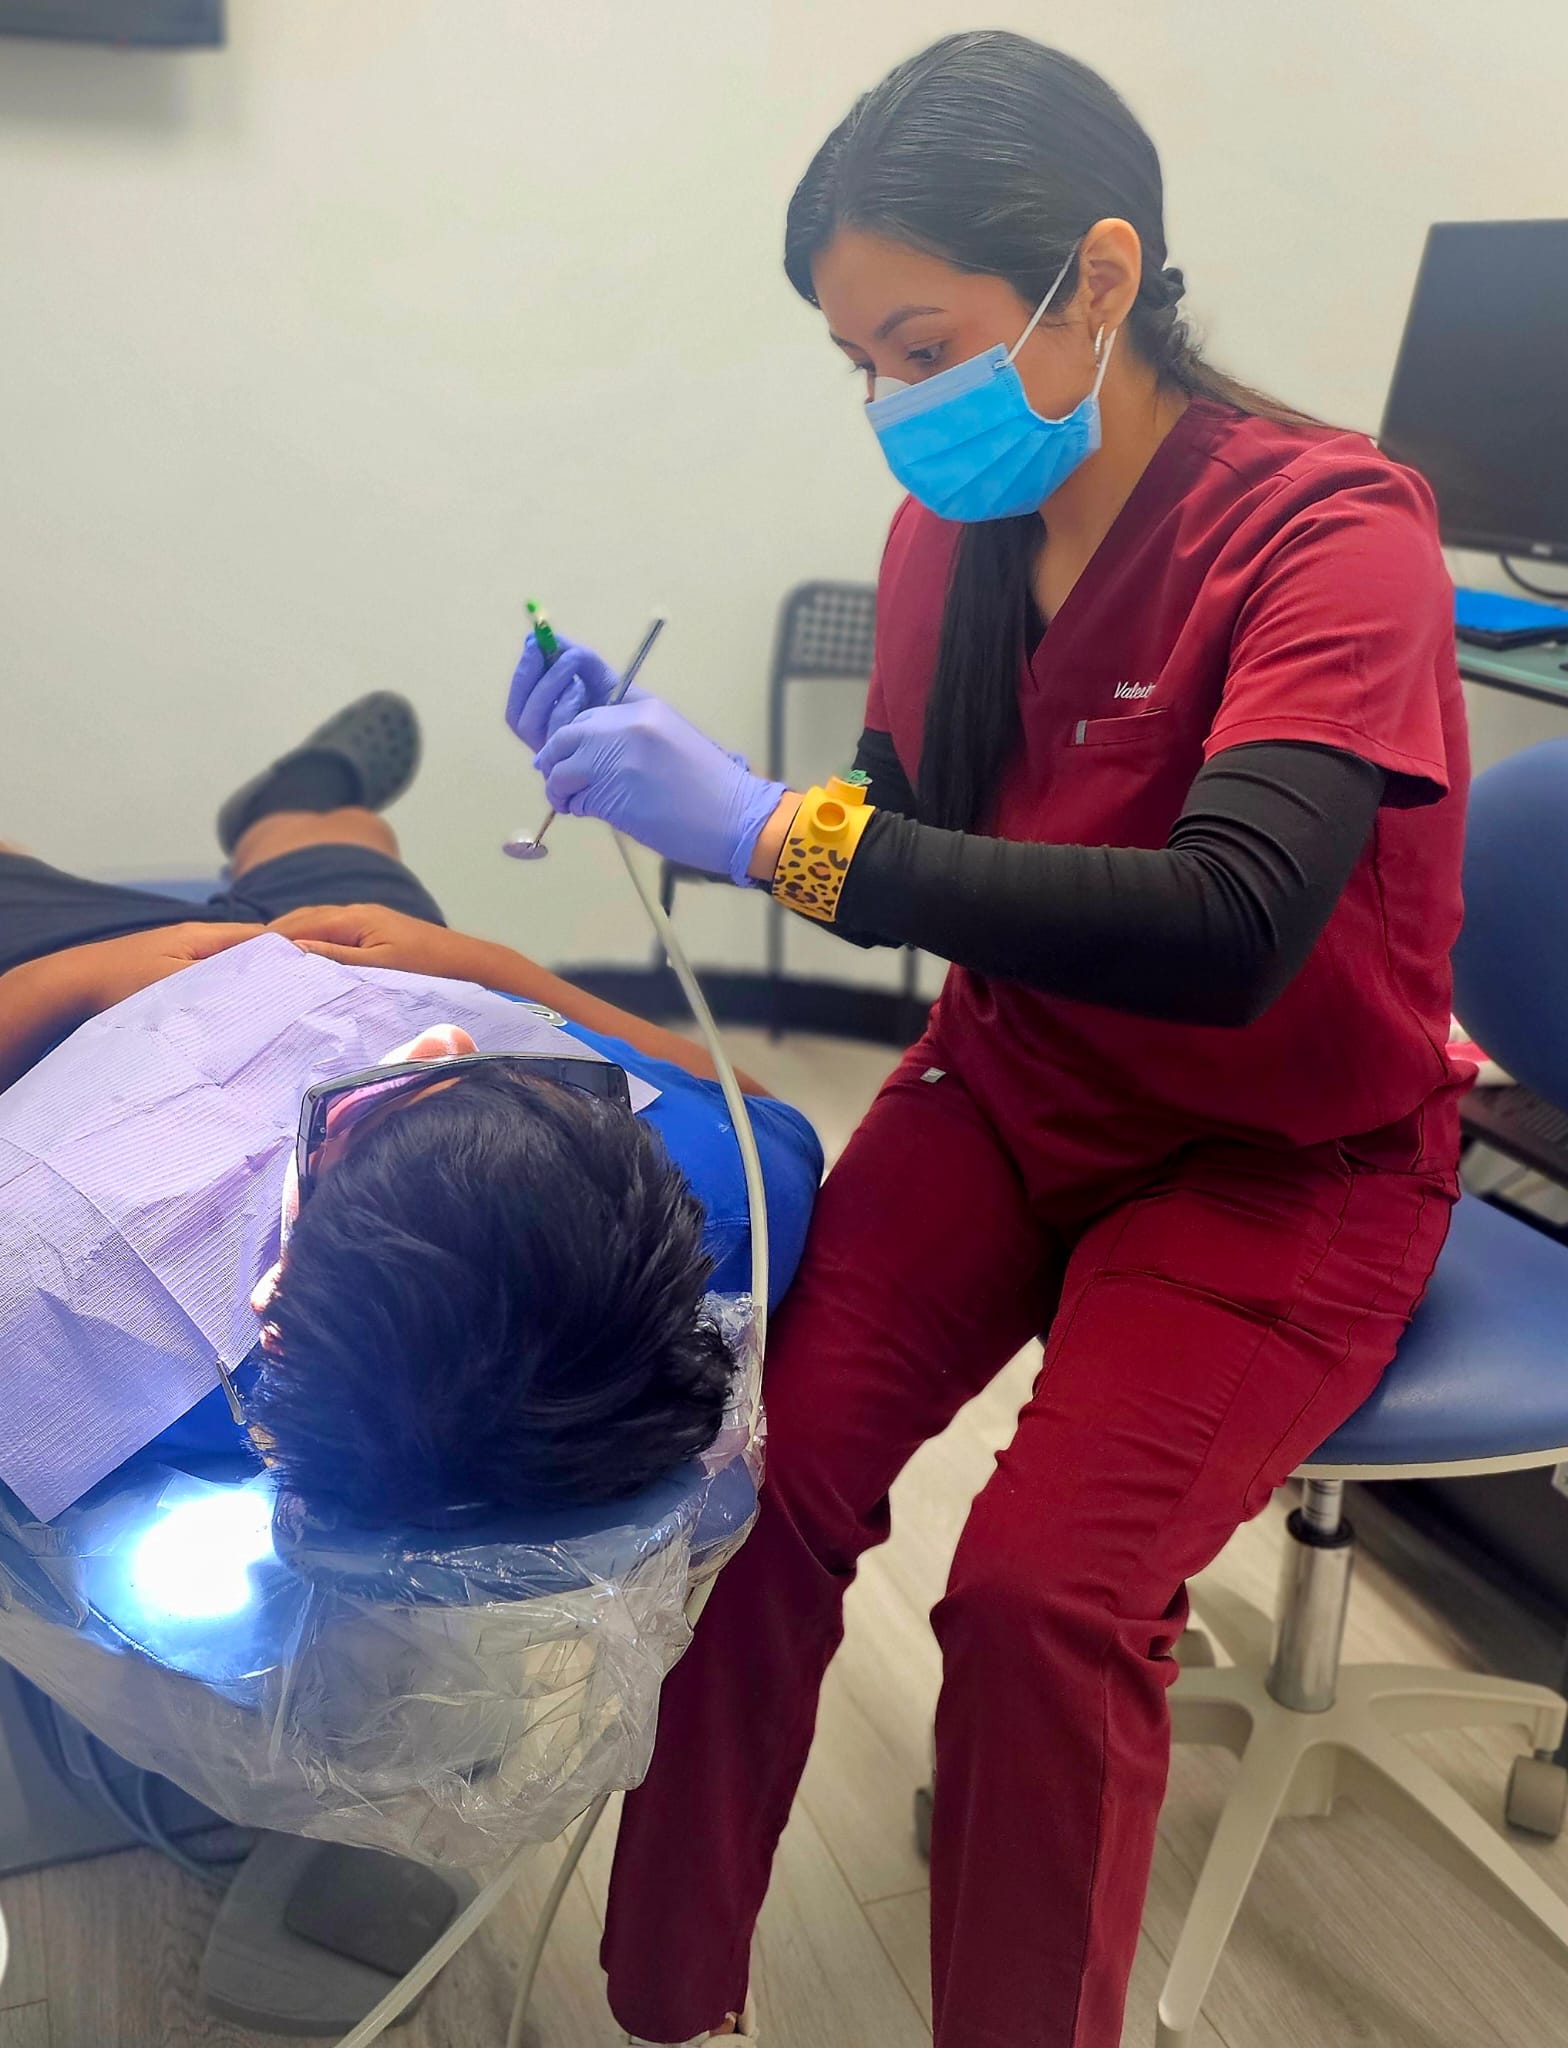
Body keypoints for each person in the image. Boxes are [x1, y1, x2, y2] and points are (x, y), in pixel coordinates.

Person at [502, 31, 1470, 2048]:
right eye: (859, 359)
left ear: (1095, 279)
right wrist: (688, 783)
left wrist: (768, 831)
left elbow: (1223, 926)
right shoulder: (947, 534)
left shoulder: (1334, 538)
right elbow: (904, 811)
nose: (889, 403)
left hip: (1273, 1158)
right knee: (746, 1490)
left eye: (917, 340)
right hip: (1016, 1082)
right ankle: (662, 2001)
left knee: (1035, 1600)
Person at [0, 693, 821, 1530]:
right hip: (377, 962)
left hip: (95, 1009)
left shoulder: (80, 1355)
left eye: (349, 1115)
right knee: (343, 843)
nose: (440, 1041)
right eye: (503, 1077)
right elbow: (752, 1102)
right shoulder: (731, 1192)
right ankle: (297, 803)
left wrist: (63, 983)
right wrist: (494, 968)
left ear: (274, 1307)